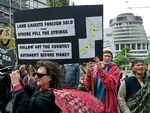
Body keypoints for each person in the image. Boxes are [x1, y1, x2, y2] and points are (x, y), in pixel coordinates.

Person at [84, 49, 120, 113]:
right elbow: (89, 87)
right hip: (96, 102)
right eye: (105, 56)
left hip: (108, 105)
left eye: (109, 56)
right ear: (101, 57)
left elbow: (110, 85)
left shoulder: (115, 69)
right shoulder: (95, 69)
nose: (107, 58)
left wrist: (100, 70)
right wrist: (88, 74)